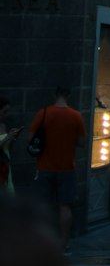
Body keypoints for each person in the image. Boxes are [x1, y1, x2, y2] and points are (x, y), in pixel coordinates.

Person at [28, 86, 85, 252]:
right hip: (67, 167)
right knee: (65, 206)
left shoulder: (43, 113)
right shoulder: (76, 116)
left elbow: (31, 139)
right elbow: (82, 142)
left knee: (43, 206)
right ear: (68, 96)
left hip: (44, 166)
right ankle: (64, 242)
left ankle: (42, 241)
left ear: (55, 95)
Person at [0, 96, 21, 195]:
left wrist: (12, 138)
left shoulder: (3, 125)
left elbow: (6, 148)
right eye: (4, 112)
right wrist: (7, 137)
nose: (6, 115)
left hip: (4, 165)